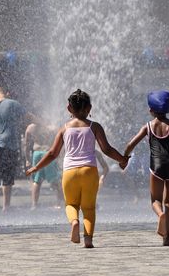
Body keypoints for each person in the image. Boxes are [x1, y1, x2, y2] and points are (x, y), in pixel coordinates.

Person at [26, 89, 127, 248]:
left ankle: (74, 222)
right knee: (88, 207)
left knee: (71, 205)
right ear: (89, 108)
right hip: (89, 171)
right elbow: (106, 149)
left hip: (70, 172)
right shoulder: (95, 127)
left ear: (69, 109)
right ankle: (88, 240)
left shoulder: (64, 128)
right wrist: (122, 159)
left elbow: (52, 153)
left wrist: (36, 167)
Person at [123, 90, 169, 246]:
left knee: (155, 200)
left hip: (156, 168)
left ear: (151, 110)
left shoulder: (148, 127)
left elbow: (131, 144)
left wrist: (124, 158)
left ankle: (160, 214)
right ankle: (167, 238)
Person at [0, 87, 38, 212]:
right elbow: (28, 116)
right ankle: (6, 206)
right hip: (10, 145)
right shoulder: (13, 103)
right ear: (7, 94)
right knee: (7, 177)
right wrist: (42, 123)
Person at [24, 123, 62, 209]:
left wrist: (27, 159)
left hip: (37, 153)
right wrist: (59, 155)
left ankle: (34, 205)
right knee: (55, 179)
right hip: (48, 153)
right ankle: (59, 202)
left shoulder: (31, 127)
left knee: (37, 180)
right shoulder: (52, 126)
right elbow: (60, 141)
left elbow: (26, 144)